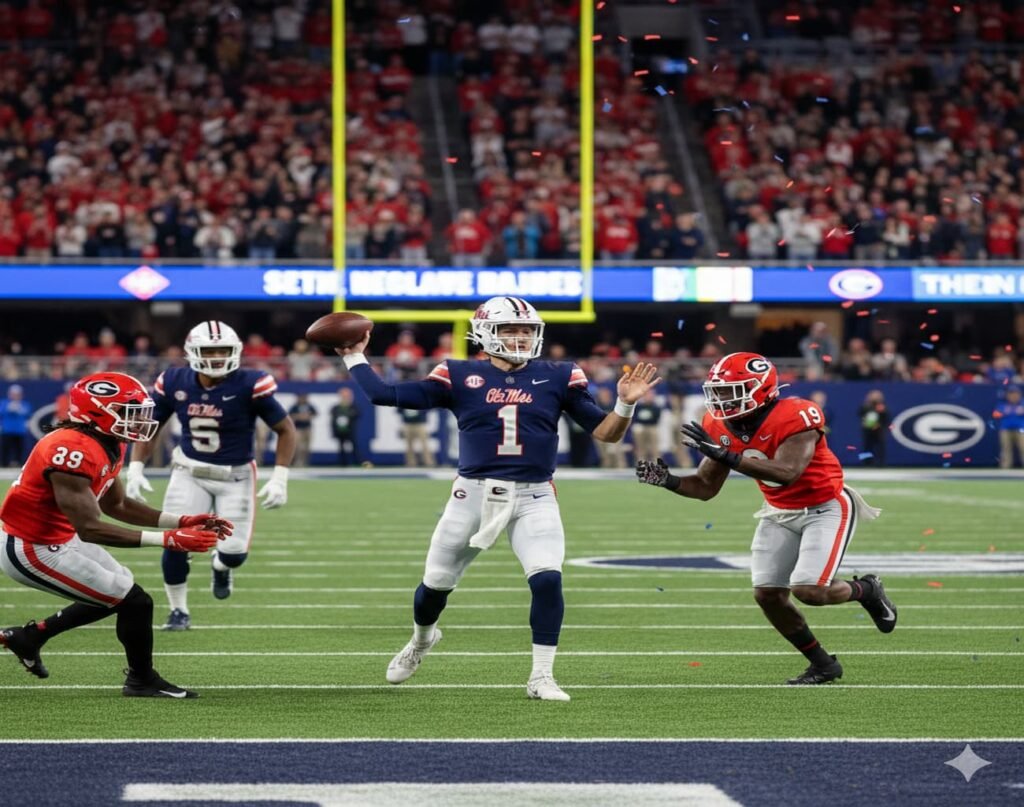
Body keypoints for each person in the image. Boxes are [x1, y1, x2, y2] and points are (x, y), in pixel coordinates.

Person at [339, 296, 661, 700]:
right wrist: (353, 355)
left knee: (547, 578)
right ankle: (422, 640)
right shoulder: (458, 374)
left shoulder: (559, 375)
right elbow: (383, 394)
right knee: (436, 584)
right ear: (485, 334)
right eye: (510, 330)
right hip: (471, 495)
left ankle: (541, 676)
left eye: (527, 330)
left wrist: (625, 403)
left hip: (535, 495)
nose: (521, 337)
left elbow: (606, 433)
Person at [636, 352, 897, 685]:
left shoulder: (795, 414)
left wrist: (728, 456)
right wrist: (668, 480)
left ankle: (867, 589)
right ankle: (822, 664)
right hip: (778, 510)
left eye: (731, 391)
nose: (722, 399)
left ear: (760, 389)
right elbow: (704, 487)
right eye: (718, 391)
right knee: (768, 595)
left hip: (825, 506)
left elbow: (788, 472)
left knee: (809, 590)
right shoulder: (718, 424)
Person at [0, 372, 230, 697]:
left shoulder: (106, 441)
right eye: (128, 412)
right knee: (133, 600)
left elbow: (116, 504)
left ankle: (31, 637)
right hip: (30, 547)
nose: (138, 420)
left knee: (121, 589)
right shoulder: (70, 449)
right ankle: (141, 680)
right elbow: (90, 527)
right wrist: (166, 540)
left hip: (58, 537)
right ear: (96, 413)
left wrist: (181, 521)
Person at [125, 321, 297, 630]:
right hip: (188, 471)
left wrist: (280, 477)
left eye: (223, 350)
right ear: (193, 352)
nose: (217, 357)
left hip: (236, 476)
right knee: (175, 544)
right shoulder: (174, 380)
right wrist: (135, 467)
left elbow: (286, 429)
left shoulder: (250, 383)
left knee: (234, 554)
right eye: (209, 351)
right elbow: (151, 426)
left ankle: (221, 566)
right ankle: (178, 611)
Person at [0, 385, 31, 467]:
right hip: (7, 430)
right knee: (5, 448)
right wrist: (9, 408)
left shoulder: (24, 404)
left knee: (19, 449)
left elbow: (27, 413)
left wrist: (19, 409)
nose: (15, 396)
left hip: (20, 431)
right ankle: (4, 464)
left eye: (17, 394)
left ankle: (19, 463)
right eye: (13, 394)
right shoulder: (4, 403)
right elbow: (1, 412)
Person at [630, 389, 663, 463]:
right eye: (647, 395)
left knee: (654, 441)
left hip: (651, 426)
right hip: (641, 426)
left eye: (651, 395)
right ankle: (641, 462)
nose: (649, 397)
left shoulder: (656, 407)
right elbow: (635, 419)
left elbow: (655, 420)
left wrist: (645, 421)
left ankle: (656, 462)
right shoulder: (638, 406)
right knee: (639, 435)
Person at [858, 390, 890, 466]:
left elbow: (886, 418)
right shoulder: (866, 406)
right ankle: (866, 462)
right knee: (867, 447)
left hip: (879, 430)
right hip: (868, 430)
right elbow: (860, 414)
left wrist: (882, 412)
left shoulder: (882, 406)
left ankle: (880, 463)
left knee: (880, 447)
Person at [330, 387, 360, 466]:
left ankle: (356, 462)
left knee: (353, 446)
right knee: (341, 447)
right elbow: (333, 418)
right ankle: (343, 463)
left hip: (350, 430)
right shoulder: (336, 407)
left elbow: (357, 414)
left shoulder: (353, 407)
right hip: (340, 431)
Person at [995, 387, 1024, 469]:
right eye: (1011, 394)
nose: (1013, 396)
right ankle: (1005, 467)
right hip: (1005, 429)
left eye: (1015, 394)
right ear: (1008, 395)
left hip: (1021, 429)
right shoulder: (1003, 404)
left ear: (1019, 395)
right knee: (1006, 448)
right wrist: (1004, 412)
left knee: (1023, 447)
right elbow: (995, 415)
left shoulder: (1022, 403)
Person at [288, 393, 317, 466]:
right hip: (298, 429)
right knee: (298, 446)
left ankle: (305, 461)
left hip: (307, 428)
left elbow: (315, 413)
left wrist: (308, 416)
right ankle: (298, 461)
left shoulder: (309, 406)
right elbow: (290, 415)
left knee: (307, 446)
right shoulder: (295, 406)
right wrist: (299, 416)